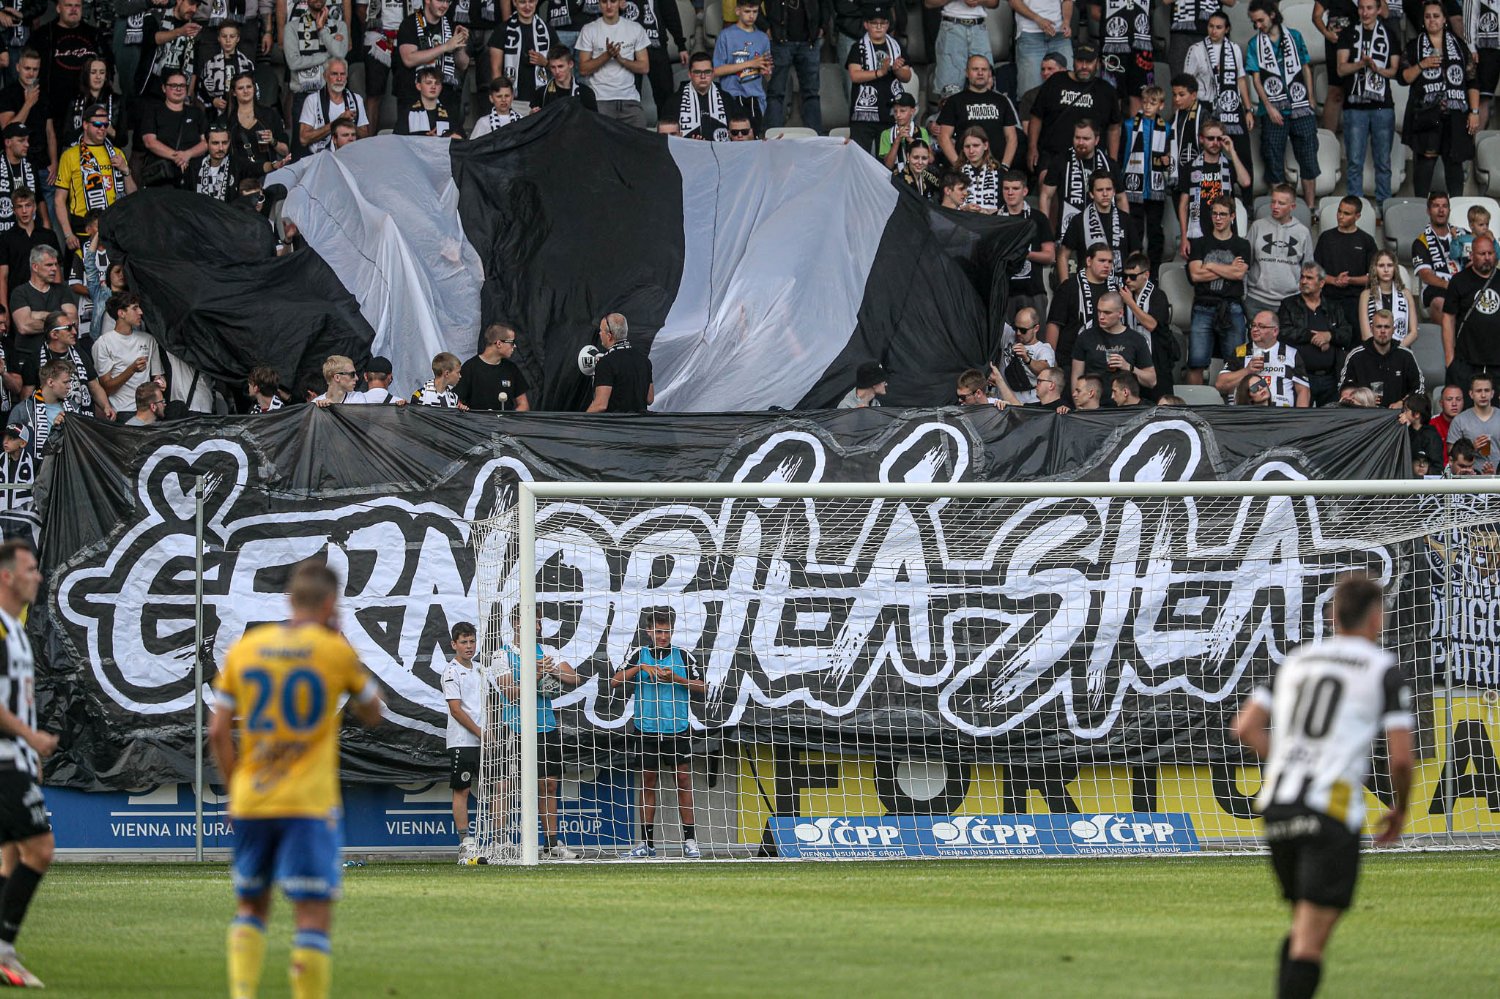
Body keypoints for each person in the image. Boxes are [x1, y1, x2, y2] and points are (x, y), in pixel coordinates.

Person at [1231, 573, 1413, 999]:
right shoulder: (1382, 669)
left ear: (1333, 617)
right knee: (1310, 941)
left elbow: (1244, 727)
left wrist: (1286, 764)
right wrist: (1401, 808)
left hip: (1278, 806)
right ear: (1376, 618)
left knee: (1303, 927)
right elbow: (1402, 758)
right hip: (1328, 810)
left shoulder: (1298, 660)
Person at [211, 559, 384, 999]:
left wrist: (235, 791)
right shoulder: (333, 650)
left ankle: (243, 994)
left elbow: (217, 731)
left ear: (290, 600)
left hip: (252, 799)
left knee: (251, 906)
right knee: (311, 916)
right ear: (330, 604)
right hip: (308, 804)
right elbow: (373, 710)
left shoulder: (246, 649)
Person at [0, 541, 54, 989]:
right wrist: (30, 738)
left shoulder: (16, 628)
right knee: (39, 850)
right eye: (30, 569)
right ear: (7, 576)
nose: (38, 576)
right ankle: (3, 951)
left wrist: (30, 752)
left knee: (12, 856)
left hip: (14, 758)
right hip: (2, 760)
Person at [611, 607, 705, 860]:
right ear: (648, 631)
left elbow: (703, 687)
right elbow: (614, 681)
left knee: (683, 782)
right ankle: (646, 843)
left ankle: (690, 841)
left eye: (667, 631)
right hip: (646, 730)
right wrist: (641, 668)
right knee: (647, 783)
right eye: (658, 631)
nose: (663, 636)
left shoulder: (683, 655)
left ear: (672, 632)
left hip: (677, 729)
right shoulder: (638, 655)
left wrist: (677, 679)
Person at [495, 606, 580, 860]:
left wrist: (551, 670)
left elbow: (574, 678)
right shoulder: (502, 654)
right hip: (515, 728)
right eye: (534, 621)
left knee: (549, 784)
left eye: (540, 622)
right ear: (516, 623)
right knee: (506, 786)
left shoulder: (548, 651)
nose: (539, 626)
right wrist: (537, 673)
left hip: (545, 727)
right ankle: (501, 843)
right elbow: (509, 692)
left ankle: (551, 844)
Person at [1247, 0, 1320, 209]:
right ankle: (1278, 208)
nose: (1258, 25)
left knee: (1308, 158)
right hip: (1272, 110)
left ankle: (1310, 209)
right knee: (1273, 160)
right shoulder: (1254, 44)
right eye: (1254, 22)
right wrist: (1269, 107)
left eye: (1260, 20)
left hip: (1300, 106)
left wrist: (1311, 97)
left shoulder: (1294, 36)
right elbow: (1256, 80)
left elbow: (1305, 67)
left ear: (1272, 14)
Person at [1402, 1, 1478, 199]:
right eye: (1428, 16)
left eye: (1436, 16)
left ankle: (1456, 209)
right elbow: (1404, 77)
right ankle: (1420, 209)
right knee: (1424, 166)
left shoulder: (1459, 45)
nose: (1432, 20)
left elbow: (1472, 81)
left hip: (1455, 115)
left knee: (1454, 166)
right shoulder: (1414, 46)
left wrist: (1474, 112)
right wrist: (1422, 65)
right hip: (1426, 116)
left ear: (1445, 19)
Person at [1335, 0, 1398, 207]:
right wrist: (1362, 64)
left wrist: (1377, 69)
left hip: (1382, 106)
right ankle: (1355, 208)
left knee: (1383, 162)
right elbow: (1341, 69)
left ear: (1379, 10)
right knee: (1354, 163)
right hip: (1355, 106)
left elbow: (1394, 70)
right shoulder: (1348, 33)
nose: (1365, 12)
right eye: (1361, 8)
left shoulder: (1389, 34)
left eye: (1370, 8)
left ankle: (1384, 207)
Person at [1182, 12, 1255, 190]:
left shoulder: (1234, 48)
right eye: (1211, 26)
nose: (1213, 31)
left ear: (1227, 29)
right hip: (1206, 107)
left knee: (1243, 154)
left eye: (1218, 27)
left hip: (1232, 107)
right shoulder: (1196, 49)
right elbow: (1187, 83)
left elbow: (1240, 79)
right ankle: (1206, 193)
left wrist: (1248, 109)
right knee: (1208, 154)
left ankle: (1246, 200)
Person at [1187, 194, 1251, 385]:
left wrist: (1210, 266)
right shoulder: (1199, 243)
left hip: (1233, 307)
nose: (1218, 218)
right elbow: (1195, 275)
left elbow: (1239, 274)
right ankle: (1194, 401)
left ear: (1232, 216)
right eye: (1215, 214)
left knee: (1236, 362)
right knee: (1196, 362)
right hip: (1203, 306)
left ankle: (1233, 402)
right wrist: (1228, 268)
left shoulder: (1242, 245)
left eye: (1223, 214)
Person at [1026, 42, 1119, 171]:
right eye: (1080, 61)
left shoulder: (1106, 90)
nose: (1084, 66)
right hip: (1053, 156)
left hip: (1091, 161)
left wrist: (1112, 163)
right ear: (1073, 61)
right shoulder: (1055, 81)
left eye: (1089, 62)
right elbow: (1036, 117)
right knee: (1045, 181)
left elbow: (1114, 129)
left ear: (1098, 63)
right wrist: (1032, 148)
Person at [53, 102, 133, 247]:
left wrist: (126, 171)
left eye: (106, 125)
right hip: (84, 228)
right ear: (85, 124)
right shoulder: (70, 155)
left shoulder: (117, 153)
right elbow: (59, 199)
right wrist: (68, 234)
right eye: (97, 124)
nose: (102, 128)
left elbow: (133, 196)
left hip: (114, 227)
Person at [1279, 262, 1355, 406]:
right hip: (1299, 377)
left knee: (1330, 417)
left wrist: (1329, 336)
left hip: (1330, 377)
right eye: (1302, 277)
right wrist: (1311, 336)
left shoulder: (1333, 307)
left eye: (1309, 278)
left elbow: (1347, 334)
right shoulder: (1289, 304)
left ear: (1321, 283)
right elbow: (1283, 333)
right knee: (1299, 418)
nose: (1303, 281)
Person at [441, 620, 485, 862]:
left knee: (499, 787)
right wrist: (479, 732)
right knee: (463, 789)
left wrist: (491, 730)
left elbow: (491, 702)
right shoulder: (451, 672)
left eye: (472, 641)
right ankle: (465, 842)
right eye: (464, 642)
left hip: (486, 739)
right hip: (463, 741)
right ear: (454, 644)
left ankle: (499, 840)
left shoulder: (481, 669)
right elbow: (456, 710)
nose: (469, 646)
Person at [1176, 116, 1248, 257]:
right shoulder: (1190, 167)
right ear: (1201, 139)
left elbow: (1245, 182)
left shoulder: (1229, 165)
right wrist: (1184, 237)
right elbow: (1183, 205)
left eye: (1219, 138)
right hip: (1198, 231)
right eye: (1210, 138)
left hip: (1225, 232)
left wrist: (1232, 151)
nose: (1215, 143)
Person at [933, 55, 1020, 171]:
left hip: (996, 169)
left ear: (989, 73)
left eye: (984, 69)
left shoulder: (1002, 101)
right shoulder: (954, 101)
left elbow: (1012, 137)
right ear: (966, 73)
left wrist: (1004, 166)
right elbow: (943, 137)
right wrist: (959, 167)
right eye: (975, 69)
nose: (980, 73)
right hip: (964, 170)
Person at [0, 52, 58, 223]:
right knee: (19, 216)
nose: (31, 73)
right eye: (27, 68)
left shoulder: (44, 94)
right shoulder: (7, 93)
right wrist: (28, 103)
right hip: (18, 165)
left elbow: (50, 132)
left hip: (43, 165)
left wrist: (54, 161)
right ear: (18, 67)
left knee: (48, 220)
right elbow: (7, 130)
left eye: (35, 69)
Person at [1118, 85, 1172, 268]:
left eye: (1153, 103)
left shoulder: (1167, 129)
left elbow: (1171, 158)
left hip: (1156, 187)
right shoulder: (1129, 125)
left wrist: (1167, 161)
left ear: (1161, 105)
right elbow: (1122, 154)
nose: (1148, 106)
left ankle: (1154, 270)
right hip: (1133, 186)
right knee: (1135, 230)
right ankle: (1134, 267)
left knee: (1155, 230)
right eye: (1145, 102)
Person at [843, 6, 908, 155]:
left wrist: (897, 69)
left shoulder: (897, 46)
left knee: (886, 160)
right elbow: (855, 75)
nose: (879, 27)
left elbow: (907, 76)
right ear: (866, 25)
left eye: (882, 23)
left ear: (888, 25)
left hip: (890, 112)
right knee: (859, 157)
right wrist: (881, 72)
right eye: (874, 23)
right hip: (863, 116)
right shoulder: (858, 47)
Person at [1047, 240, 1117, 375]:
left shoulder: (1115, 290)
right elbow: (1054, 324)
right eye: (1102, 261)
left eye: (1110, 262)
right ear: (1089, 261)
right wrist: (1051, 360)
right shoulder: (1069, 287)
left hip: (1104, 364)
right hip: (1070, 362)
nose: (1107, 265)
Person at [576, 0, 649, 128]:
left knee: (641, 135)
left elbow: (644, 67)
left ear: (620, 2)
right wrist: (607, 55)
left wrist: (621, 59)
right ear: (599, 4)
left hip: (630, 99)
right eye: (604, 2)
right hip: (600, 100)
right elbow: (583, 69)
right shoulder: (589, 29)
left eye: (613, 1)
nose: (609, 6)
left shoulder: (635, 28)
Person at [1040, 118, 1114, 243]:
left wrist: (1123, 232)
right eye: (1077, 138)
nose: (1080, 142)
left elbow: (1121, 199)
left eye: (1086, 139)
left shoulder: (1109, 164)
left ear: (1096, 140)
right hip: (1068, 234)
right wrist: (1045, 232)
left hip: (1103, 235)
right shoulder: (1060, 161)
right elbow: (1046, 196)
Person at [1441, 234, 1500, 391]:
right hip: (1466, 362)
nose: (1487, 257)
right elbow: (1448, 318)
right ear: (1472, 255)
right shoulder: (1458, 281)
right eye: (1482, 254)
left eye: (1490, 253)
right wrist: (1449, 358)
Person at [1245, 184, 1314, 318]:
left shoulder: (1302, 232)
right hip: (1256, 300)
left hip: (1290, 301)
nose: (1275, 206)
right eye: (1273, 202)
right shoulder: (1257, 226)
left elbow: (1308, 269)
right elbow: (1246, 262)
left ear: (1292, 207)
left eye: (1281, 203)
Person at [1069, 290, 1156, 394]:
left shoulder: (1136, 339)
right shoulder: (1086, 337)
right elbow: (1076, 376)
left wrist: (1128, 367)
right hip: (1094, 401)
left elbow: (1152, 381)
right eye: (1099, 311)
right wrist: (1078, 401)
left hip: (1124, 402)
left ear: (1120, 313)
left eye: (1107, 313)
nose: (1101, 317)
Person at [1218, 309, 1311, 406]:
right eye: (1253, 325)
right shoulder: (1241, 352)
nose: (1254, 329)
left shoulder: (1291, 353)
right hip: (1247, 413)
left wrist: (1299, 415)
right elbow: (1220, 385)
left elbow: (1303, 391)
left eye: (1261, 326)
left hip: (1282, 413)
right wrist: (1247, 370)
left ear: (1275, 331)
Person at [91, 291, 164, 414]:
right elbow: (107, 388)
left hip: (148, 409)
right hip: (122, 411)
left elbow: (157, 375)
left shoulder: (148, 339)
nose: (140, 312)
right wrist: (132, 369)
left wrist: (160, 381)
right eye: (135, 308)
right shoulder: (103, 343)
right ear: (121, 313)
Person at [396, 0, 468, 121]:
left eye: (448, 1)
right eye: (440, 1)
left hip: (446, 93)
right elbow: (408, 59)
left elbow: (463, 64)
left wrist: (459, 46)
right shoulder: (410, 23)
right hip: (414, 94)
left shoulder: (451, 25)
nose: (444, 5)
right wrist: (445, 47)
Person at [998, 170, 1054, 320]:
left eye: (1015, 188)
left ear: (1025, 191)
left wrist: (1024, 254)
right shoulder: (994, 220)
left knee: (1035, 335)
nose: (1010, 193)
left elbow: (1050, 256)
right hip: (1003, 294)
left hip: (1033, 292)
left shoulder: (1038, 218)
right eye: (1006, 188)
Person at [762, 0, 826, 133]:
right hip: (780, 41)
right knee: (776, 92)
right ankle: (773, 137)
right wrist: (765, 27)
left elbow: (827, 5)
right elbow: (749, 3)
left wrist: (823, 27)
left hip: (809, 41)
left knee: (811, 93)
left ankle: (816, 137)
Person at [1339, 308, 1424, 407]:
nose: (1383, 331)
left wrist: (1403, 403)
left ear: (1393, 329)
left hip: (1398, 414)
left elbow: (1419, 389)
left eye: (1387, 327)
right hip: (1364, 413)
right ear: (1372, 329)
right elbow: (1345, 389)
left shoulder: (1406, 355)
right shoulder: (1356, 356)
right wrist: (1364, 399)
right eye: (1379, 327)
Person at [1059, 170, 1135, 280]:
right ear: (1091, 194)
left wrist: (1131, 281)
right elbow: (1063, 255)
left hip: (1119, 285)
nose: (1105, 194)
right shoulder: (1079, 220)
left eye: (1108, 189)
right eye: (1100, 190)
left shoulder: (1125, 219)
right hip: (1086, 286)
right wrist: (1065, 286)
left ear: (1114, 191)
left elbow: (1135, 253)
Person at [139, 70, 208, 188]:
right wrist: (178, 157)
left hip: (192, 176)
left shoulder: (196, 113)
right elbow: (149, 142)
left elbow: (206, 142)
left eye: (182, 85)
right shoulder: (153, 111)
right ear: (164, 88)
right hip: (162, 177)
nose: (178, 89)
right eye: (173, 85)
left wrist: (188, 154)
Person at [1120, 250, 1175, 398]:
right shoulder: (1125, 296)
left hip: (1157, 360)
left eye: (1132, 276)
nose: (1128, 280)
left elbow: (1151, 324)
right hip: (1133, 360)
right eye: (1125, 276)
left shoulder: (1158, 295)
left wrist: (1130, 303)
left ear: (1146, 275)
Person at [1312, 195, 1376, 322]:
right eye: (1339, 211)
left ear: (1357, 216)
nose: (1340, 216)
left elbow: (1374, 277)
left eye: (1346, 213)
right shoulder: (1326, 238)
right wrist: (1334, 280)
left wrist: (1350, 280)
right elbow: (1315, 272)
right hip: (1328, 299)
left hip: (1357, 302)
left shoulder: (1366, 240)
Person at [297, 58, 370, 155]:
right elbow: (304, 139)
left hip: (350, 156)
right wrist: (338, 122)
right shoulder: (312, 100)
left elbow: (365, 137)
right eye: (334, 74)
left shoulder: (356, 99)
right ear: (325, 76)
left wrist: (350, 125)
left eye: (342, 74)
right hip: (320, 158)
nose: (339, 79)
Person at [488, 0, 551, 111]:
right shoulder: (502, 30)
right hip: (513, 99)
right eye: (522, 2)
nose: (527, 6)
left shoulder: (547, 30)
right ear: (514, 3)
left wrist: (545, 62)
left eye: (531, 2)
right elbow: (495, 69)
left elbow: (560, 66)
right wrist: (502, 98)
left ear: (536, 2)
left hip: (541, 99)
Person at [1417, 191, 1466, 327]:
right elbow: (1426, 275)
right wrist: (1450, 285)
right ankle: (1449, 340)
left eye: (1444, 206)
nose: (1441, 210)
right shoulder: (1421, 241)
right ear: (1428, 211)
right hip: (1438, 288)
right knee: (1440, 302)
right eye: (1436, 206)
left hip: (1465, 284)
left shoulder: (1463, 234)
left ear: (1449, 210)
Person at [587, 312, 653, 412]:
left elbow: (600, 405)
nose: (599, 333)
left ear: (609, 336)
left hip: (615, 421)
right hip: (639, 421)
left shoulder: (606, 363)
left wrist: (580, 420)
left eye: (601, 330)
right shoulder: (644, 361)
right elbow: (650, 399)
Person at [227, 71, 291, 175]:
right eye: (240, 88)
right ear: (234, 92)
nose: (245, 91)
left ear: (254, 88)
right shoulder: (228, 120)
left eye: (249, 87)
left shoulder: (269, 115)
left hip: (268, 173)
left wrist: (272, 141)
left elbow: (285, 151)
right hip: (239, 175)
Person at [458, 322, 530, 410]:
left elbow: (523, 404)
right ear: (499, 343)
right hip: (476, 419)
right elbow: (457, 402)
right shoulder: (470, 368)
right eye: (512, 342)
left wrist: (508, 418)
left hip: (505, 419)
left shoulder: (512, 369)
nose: (514, 346)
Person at [1010, 0, 1072, 100]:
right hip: (1029, 32)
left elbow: (1067, 1)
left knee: (1069, 87)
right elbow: (1013, 2)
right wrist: (1037, 19)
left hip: (1059, 34)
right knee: (1030, 93)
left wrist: (1066, 22)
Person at [993, 305, 1054, 403]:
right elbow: (994, 316)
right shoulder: (1009, 334)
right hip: (1002, 402)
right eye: (1015, 327)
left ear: (1036, 328)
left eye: (1023, 330)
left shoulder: (1043, 349)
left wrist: (1027, 359)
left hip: (1027, 405)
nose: (1018, 333)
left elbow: (1045, 370)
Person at [1358, 250, 1418, 346]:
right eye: (1381, 266)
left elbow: (1414, 333)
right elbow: (1366, 335)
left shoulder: (1406, 294)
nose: (1386, 270)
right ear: (1374, 269)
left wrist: (1396, 350)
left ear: (1395, 268)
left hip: (1401, 349)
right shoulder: (1366, 295)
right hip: (1373, 351)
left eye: (1390, 265)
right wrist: (1381, 350)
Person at [197, 22, 257, 114]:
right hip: (216, 114)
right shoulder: (210, 64)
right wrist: (213, 100)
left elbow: (254, 91)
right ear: (218, 38)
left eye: (232, 36)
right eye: (224, 36)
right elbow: (201, 90)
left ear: (238, 39)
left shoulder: (247, 64)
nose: (228, 40)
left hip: (242, 113)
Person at [1445, 373, 1499, 473]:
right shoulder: (1459, 420)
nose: (1483, 395)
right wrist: (1471, 448)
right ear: (1471, 394)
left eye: (1487, 390)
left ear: (1492, 393)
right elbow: (1451, 455)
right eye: (1478, 391)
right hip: (1470, 476)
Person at [677, 50, 729, 140]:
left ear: (713, 73)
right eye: (697, 72)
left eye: (707, 72)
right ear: (689, 74)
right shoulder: (675, 101)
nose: (703, 76)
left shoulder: (727, 99)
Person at [533, 45, 596, 112]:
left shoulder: (585, 93)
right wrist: (532, 114)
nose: (557, 71)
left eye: (560, 66)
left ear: (571, 64)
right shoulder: (542, 93)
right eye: (553, 67)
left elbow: (593, 118)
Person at [878, 93, 931, 172]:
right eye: (895, 111)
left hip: (919, 177)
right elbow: (888, 165)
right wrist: (897, 140)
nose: (898, 115)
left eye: (902, 111)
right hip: (895, 177)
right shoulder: (887, 134)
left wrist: (911, 141)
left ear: (913, 111)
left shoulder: (921, 131)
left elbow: (931, 159)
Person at [188, 123, 240, 201]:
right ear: (207, 143)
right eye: (215, 143)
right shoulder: (193, 168)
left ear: (229, 142)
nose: (221, 148)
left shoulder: (237, 166)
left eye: (224, 143)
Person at [0, 125, 37, 234]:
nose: (27, 144)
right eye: (21, 141)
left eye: (27, 140)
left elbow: (39, 197)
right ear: (8, 142)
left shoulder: (31, 165)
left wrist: (46, 222)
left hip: (29, 230)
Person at [957, 126, 1001, 214]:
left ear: (985, 146)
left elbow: (1005, 207)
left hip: (992, 221)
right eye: (967, 146)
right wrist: (964, 208)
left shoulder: (999, 172)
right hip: (963, 219)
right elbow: (947, 206)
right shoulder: (955, 173)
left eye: (976, 145)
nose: (971, 151)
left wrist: (986, 211)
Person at [1400, 392, 1445, 472]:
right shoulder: (1406, 430)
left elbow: (1436, 467)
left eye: (1406, 410)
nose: (1403, 413)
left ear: (1417, 414)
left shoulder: (1432, 436)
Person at [1431, 383, 1464, 461]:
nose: (1454, 404)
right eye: (1449, 399)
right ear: (1441, 403)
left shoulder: (1470, 423)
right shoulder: (1431, 424)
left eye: (1458, 399)